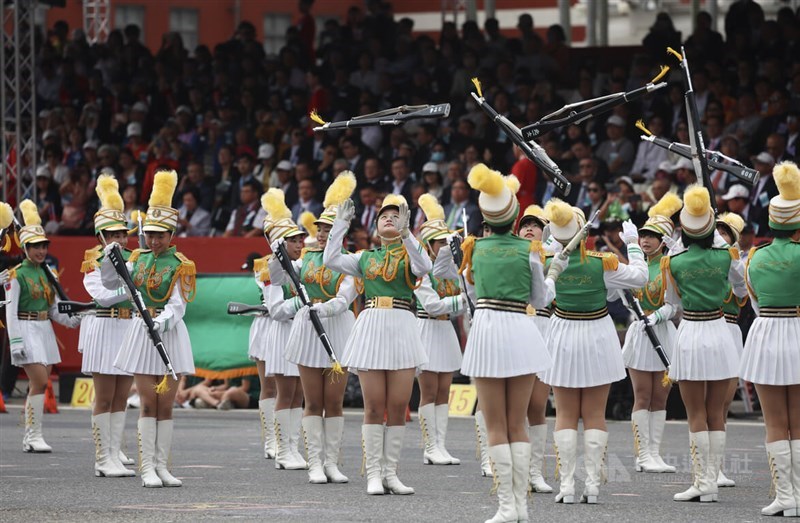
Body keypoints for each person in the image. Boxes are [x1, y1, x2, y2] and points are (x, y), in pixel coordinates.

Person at [456, 164, 553, 522]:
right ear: (513, 215)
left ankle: (507, 507)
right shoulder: (530, 249)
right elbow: (540, 300)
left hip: (488, 329)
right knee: (517, 424)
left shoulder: (474, 249)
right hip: (522, 329)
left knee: (495, 424)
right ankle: (521, 508)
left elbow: (469, 289)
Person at [323, 188, 432, 496]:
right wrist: (340, 225)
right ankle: (373, 473)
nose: (389, 219)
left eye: (395, 216)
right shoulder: (365, 257)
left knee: (398, 404)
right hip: (372, 324)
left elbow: (424, 268)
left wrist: (408, 234)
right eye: (384, 216)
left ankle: (391, 473)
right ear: (375, 226)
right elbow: (331, 259)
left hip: (402, 325)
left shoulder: (410, 253)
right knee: (373, 405)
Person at [538, 199, 647, 505]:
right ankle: (593, 486)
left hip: (562, 335)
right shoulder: (603, 263)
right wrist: (633, 244)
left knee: (566, 414)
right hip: (598, 335)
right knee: (595, 414)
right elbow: (641, 277)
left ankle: (568, 487)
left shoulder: (546, 262)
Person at [100, 169, 197, 488]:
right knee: (147, 401)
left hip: (168, 332)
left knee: (166, 404)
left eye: (160, 235)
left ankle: (162, 466)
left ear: (171, 235)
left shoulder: (181, 264)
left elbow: (179, 304)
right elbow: (110, 283)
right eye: (150, 235)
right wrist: (109, 256)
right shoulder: (137, 259)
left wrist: (161, 322)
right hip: (143, 335)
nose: (153, 240)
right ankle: (146, 468)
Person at [269, 173, 359, 484]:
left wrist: (326, 307)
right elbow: (278, 279)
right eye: (320, 229)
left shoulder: (350, 261)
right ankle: (314, 464)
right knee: (313, 402)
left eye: (328, 229)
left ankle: (332, 463)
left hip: (336, 328)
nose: (322, 234)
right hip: (309, 331)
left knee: (334, 401)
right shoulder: (303, 260)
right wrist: (275, 252)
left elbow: (347, 295)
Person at [661, 184, 746, 503]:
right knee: (715, 412)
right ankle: (712, 478)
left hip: (692, 333)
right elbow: (740, 290)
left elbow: (672, 301)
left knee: (696, 411)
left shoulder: (675, 259)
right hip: (721, 331)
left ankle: (704, 482)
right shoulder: (728, 255)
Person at [739, 161, 800, 517]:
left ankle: (786, 496)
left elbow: (756, 301)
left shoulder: (755, 257)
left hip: (767, 332)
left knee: (775, 422)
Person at [5, 200, 81, 452]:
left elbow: (52, 308)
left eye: (43, 246)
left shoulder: (49, 273)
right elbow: (11, 310)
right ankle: (32, 435)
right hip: (25, 329)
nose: (40, 251)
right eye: (35, 246)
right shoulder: (16, 275)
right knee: (39, 381)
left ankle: (31, 436)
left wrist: (72, 318)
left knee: (40, 382)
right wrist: (15, 343)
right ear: (25, 247)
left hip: (44, 330)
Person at [78, 175, 137, 477]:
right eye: (112, 234)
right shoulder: (92, 260)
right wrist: (128, 291)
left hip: (127, 329)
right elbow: (100, 298)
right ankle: (102, 458)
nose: (119, 240)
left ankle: (114, 454)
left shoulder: (136, 259)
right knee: (104, 396)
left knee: (121, 397)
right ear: (101, 236)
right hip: (104, 329)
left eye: (123, 234)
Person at [620, 193, 683, 474]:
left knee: (661, 397)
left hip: (663, 332)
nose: (645, 240)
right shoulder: (636, 264)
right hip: (640, 334)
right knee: (642, 396)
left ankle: (655, 453)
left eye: (652, 236)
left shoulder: (669, 265)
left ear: (664, 241)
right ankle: (642, 454)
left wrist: (656, 316)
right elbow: (624, 296)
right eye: (643, 235)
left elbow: (674, 304)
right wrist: (640, 316)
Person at [413, 194, 468, 466]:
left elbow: (458, 304)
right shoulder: (421, 271)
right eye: (439, 243)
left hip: (446, 330)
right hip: (426, 327)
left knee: (445, 390)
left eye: (447, 243)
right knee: (430, 391)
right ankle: (429, 446)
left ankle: (441, 446)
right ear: (428, 245)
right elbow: (432, 305)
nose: (445, 247)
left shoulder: (452, 270)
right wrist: (462, 300)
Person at [259, 189, 309, 471]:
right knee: (285, 394)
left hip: (300, 333)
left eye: (300, 238)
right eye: (293, 239)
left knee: (299, 394)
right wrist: (301, 301)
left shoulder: (301, 266)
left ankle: (293, 446)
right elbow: (276, 310)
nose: (300, 243)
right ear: (279, 244)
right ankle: (282, 449)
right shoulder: (269, 270)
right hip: (282, 334)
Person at [515, 205, 555, 493]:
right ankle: (514, 468)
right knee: (515, 406)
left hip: (542, 327)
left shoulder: (554, 256)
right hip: (516, 325)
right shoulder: (513, 255)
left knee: (538, 405)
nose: (529, 228)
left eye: (536, 225)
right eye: (525, 225)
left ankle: (534, 471)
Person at [715, 211, 748, 488]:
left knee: (723, 404)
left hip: (731, 329)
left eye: (724, 233)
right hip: (708, 328)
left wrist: (730, 253)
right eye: (716, 231)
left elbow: (740, 293)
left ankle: (717, 465)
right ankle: (705, 467)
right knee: (706, 403)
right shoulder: (702, 260)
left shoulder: (737, 264)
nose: (719, 237)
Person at [247, 254, 278, 460]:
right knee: (268, 386)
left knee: (293, 388)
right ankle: (271, 440)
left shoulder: (304, 261)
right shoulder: (264, 264)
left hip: (292, 324)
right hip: (267, 325)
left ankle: (287, 441)